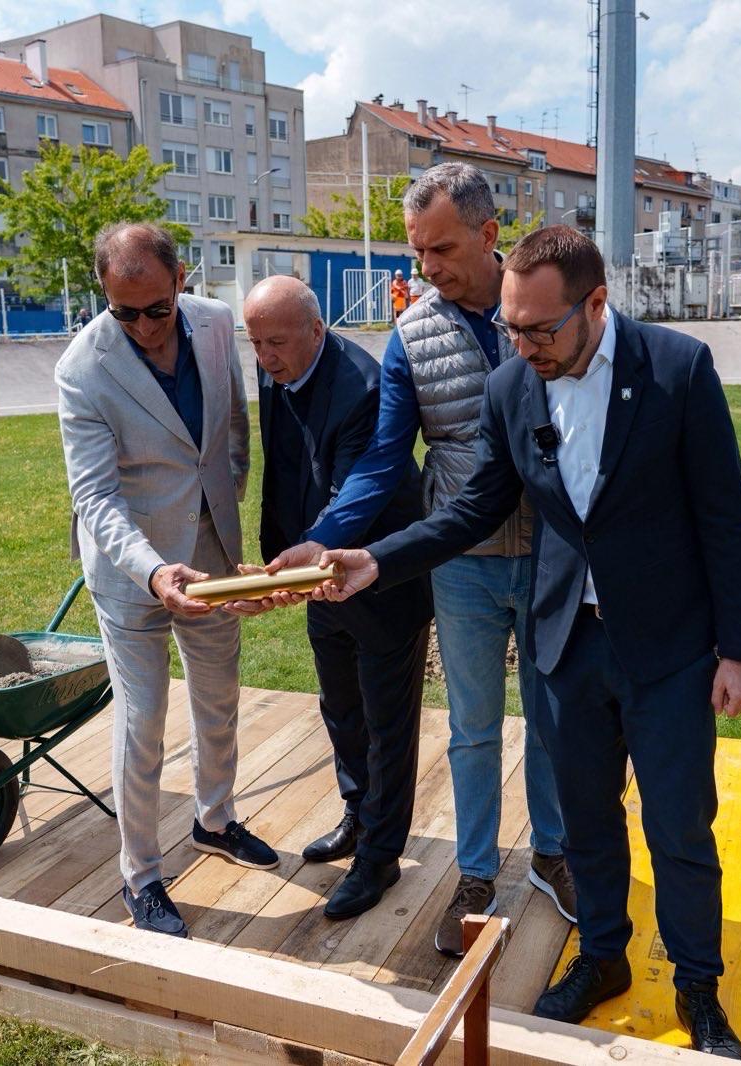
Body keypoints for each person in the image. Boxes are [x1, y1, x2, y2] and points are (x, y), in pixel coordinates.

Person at [310, 226, 741, 1059]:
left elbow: (725, 516)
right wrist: (375, 560)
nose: (520, 347)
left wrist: (739, 650)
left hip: (667, 648)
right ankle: (602, 956)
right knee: (585, 822)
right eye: (511, 329)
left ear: (596, 304)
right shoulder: (513, 384)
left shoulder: (677, 368)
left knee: (678, 827)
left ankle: (698, 987)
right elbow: (474, 508)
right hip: (563, 644)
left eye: (537, 330)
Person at [265, 163, 574, 958]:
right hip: (461, 559)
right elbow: (382, 458)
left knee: (552, 717)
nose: (426, 267)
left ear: (488, 233)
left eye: (441, 249)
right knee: (472, 727)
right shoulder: (411, 335)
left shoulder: (544, 306)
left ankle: (553, 854)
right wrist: (328, 535)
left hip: (552, 555)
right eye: (417, 251)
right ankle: (475, 875)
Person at [55, 222, 278, 939]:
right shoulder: (82, 369)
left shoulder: (213, 325)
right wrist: (152, 570)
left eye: (158, 309)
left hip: (210, 554)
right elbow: (94, 497)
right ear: (103, 294)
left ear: (181, 281)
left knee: (218, 698)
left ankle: (215, 820)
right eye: (125, 313)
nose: (146, 328)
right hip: (131, 575)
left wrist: (224, 508)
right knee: (141, 721)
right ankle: (141, 875)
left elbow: (233, 430)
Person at [229, 275, 433, 918]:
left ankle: (380, 856)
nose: (265, 357)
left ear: (317, 330)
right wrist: (276, 566)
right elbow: (284, 470)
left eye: (277, 343)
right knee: (341, 707)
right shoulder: (278, 366)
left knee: (386, 722)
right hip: (318, 572)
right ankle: (357, 813)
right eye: (255, 343)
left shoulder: (363, 388)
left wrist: (296, 567)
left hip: (378, 573)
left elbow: (355, 493)